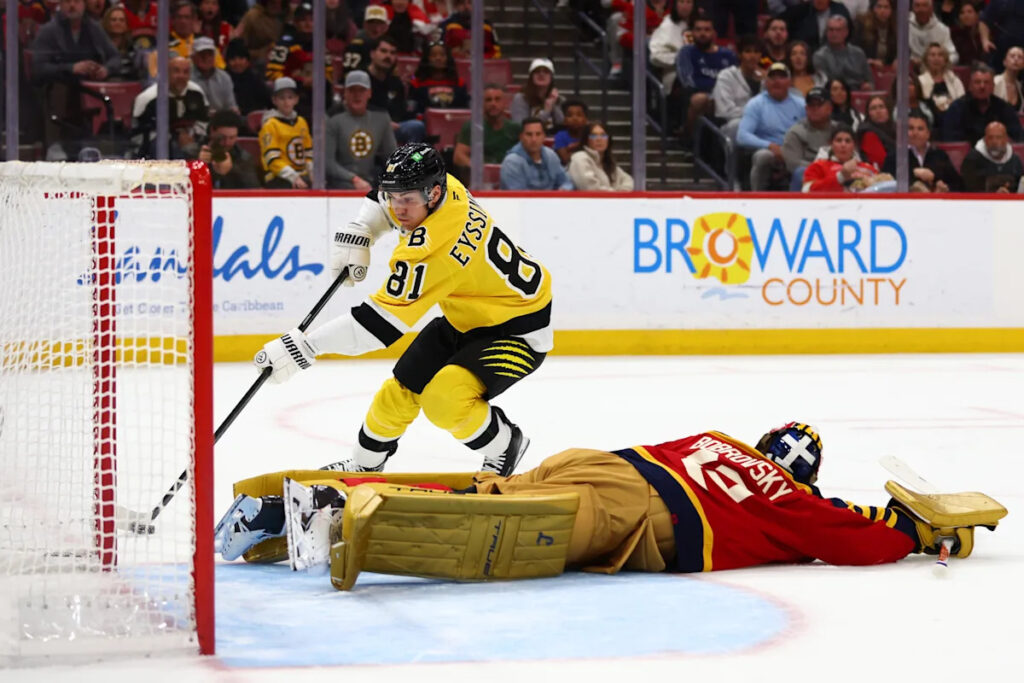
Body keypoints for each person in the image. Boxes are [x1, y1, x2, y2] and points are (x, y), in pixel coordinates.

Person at [214, 421, 1006, 591]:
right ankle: (334, 507)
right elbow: (855, 537)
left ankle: (308, 501)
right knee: (499, 529)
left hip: (604, 461)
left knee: (493, 489)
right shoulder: (792, 498)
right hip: (647, 519)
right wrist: (916, 528)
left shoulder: (718, 438)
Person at [252, 143, 552, 476]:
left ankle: (504, 444)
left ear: (432, 194)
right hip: (469, 315)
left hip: (518, 330)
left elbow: (377, 327)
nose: (398, 209)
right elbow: (383, 197)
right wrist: (362, 230)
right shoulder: (445, 187)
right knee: (400, 389)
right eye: (395, 198)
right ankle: (366, 465)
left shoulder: (435, 249)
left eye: (407, 201)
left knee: (443, 399)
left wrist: (304, 347)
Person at [30, 0, 120, 159]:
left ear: (84, 4)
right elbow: (39, 68)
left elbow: (115, 57)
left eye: (77, 1)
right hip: (59, 87)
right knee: (60, 90)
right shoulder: (48, 31)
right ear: (60, 4)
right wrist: (71, 68)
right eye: (67, 1)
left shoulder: (94, 28)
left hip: (91, 89)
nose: (72, 6)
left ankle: (112, 145)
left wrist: (105, 70)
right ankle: (56, 148)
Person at [737, 62, 807, 191]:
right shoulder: (756, 104)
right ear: (766, 82)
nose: (777, 81)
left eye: (782, 77)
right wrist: (770, 145)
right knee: (763, 156)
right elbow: (742, 136)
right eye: (772, 78)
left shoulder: (801, 104)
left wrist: (789, 152)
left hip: (795, 151)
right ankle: (758, 197)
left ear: (789, 82)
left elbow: (808, 132)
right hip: (770, 150)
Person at [325, 70, 396, 190]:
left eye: (361, 90)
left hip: (370, 180)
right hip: (339, 183)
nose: (357, 95)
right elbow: (327, 162)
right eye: (352, 90)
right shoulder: (331, 119)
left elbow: (392, 156)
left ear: (369, 93)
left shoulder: (381, 118)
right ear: (345, 93)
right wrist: (353, 179)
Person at [132, 54, 208, 159]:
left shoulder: (197, 93)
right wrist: (174, 138)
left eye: (186, 72)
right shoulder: (148, 98)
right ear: (166, 73)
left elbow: (203, 122)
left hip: (191, 139)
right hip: (155, 146)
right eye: (176, 71)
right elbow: (138, 134)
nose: (181, 76)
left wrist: (192, 135)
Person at [675, 15, 736, 144]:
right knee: (700, 99)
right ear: (692, 33)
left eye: (707, 29)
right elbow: (688, 82)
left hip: (726, 98)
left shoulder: (728, 55)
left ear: (714, 33)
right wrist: (714, 92)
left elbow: (735, 81)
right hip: (699, 98)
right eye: (698, 29)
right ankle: (689, 141)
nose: (702, 33)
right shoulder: (687, 52)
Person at [366, 35, 426, 144]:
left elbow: (400, 111)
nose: (388, 56)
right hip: (365, 126)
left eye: (392, 53)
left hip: (392, 128)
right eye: (383, 51)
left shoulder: (396, 83)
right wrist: (382, 123)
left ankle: (409, 160)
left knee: (416, 126)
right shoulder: (361, 78)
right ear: (372, 54)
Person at [881, 112, 962, 192]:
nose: (915, 133)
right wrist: (914, 175)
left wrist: (939, 183)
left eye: (920, 129)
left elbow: (958, 185)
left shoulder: (940, 155)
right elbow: (885, 184)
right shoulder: (895, 156)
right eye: (911, 128)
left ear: (928, 134)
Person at [452, 83, 521, 176]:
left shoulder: (515, 128)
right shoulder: (472, 127)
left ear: (505, 103)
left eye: (497, 99)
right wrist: (480, 169)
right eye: (488, 100)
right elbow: (459, 157)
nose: (493, 104)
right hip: (481, 179)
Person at [943, 64, 1023, 143]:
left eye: (986, 82)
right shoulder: (957, 108)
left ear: (993, 86)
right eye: (977, 82)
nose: (982, 86)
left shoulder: (1004, 108)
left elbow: (1017, 137)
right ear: (970, 86)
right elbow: (950, 139)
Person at [258, 77, 312, 189]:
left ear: (296, 99)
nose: (286, 102)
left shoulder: (301, 122)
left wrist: (312, 172)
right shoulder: (270, 124)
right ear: (274, 100)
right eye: (282, 98)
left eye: (290, 97)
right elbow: (272, 160)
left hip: (301, 175)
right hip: (278, 177)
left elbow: (308, 153)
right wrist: (293, 176)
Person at [710, 34, 764, 141]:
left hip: (762, 125)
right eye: (748, 51)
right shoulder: (726, 76)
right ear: (739, 55)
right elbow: (724, 111)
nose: (752, 56)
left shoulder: (765, 80)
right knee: (738, 125)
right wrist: (754, 114)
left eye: (756, 52)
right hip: (731, 126)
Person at [782, 86, 837, 188]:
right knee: (800, 172)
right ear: (806, 108)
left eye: (819, 105)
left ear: (830, 108)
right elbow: (793, 164)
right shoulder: (795, 132)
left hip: (838, 174)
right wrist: (824, 169)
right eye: (811, 105)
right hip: (808, 178)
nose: (814, 109)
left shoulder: (839, 130)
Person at [802, 124, 885, 191]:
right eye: (838, 140)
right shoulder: (818, 166)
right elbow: (806, 191)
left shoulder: (868, 168)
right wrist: (840, 177)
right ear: (831, 144)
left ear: (854, 145)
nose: (843, 145)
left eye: (848, 141)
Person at [500, 118, 575, 190]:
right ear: (521, 137)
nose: (534, 139)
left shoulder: (550, 155)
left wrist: (564, 189)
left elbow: (566, 182)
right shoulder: (512, 162)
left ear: (544, 136)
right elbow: (519, 197)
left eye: (538, 134)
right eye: (529, 134)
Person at [198, 110, 261, 189]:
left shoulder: (244, 157)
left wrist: (231, 170)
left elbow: (253, 188)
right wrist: (197, 165)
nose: (227, 143)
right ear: (212, 131)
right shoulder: (192, 151)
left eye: (232, 138)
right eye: (222, 137)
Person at [407, 40, 469, 118]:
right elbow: (412, 111)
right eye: (433, 55)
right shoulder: (417, 83)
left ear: (448, 58)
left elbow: (464, 110)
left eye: (442, 55)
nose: (438, 58)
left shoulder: (459, 83)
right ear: (427, 58)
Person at [566, 122, 634, 191]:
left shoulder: (607, 162)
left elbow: (628, 180)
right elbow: (591, 188)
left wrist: (622, 192)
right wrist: (615, 194)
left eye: (603, 135)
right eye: (593, 136)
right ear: (586, 140)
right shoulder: (580, 158)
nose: (599, 139)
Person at [959, 120, 1024, 192]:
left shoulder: (1014, 159)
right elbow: (969, 188)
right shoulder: (972, 159)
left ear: (1006, 139)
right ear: (985, 140)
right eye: (990, 137)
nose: (994, 141)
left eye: (998, 137)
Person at [813, 15, 873, 89]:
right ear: (827, 33)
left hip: (859, 94)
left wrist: (868, 85)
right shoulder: (819, 56)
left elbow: (870, 81)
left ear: (846, 32)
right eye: (831, 30)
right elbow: (824, 84)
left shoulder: (858, 53)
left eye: (838, 30)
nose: (834, 33)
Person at [649, 0, 697, 91]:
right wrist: (682, 60)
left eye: (689, 2)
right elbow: (655, 56)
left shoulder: (700, 25)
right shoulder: (667, 26)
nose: (685, 6)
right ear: (675, 5)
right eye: (681, 2)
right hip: (676, 76)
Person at [509, 58, 565, 134]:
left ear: (551, 77)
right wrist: (546, 111)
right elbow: (520, 127)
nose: (541, 74)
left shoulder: (560, 99)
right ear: (531, 76)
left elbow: (563, 125)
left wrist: (553, 105)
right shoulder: (521, 98)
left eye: (546, 72)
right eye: (537, 71)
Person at [782, 0, 852, 54]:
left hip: (835, 56)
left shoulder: (840, 10)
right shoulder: (800, 11)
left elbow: (849, 34)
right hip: (807, 57)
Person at [225, 38, 271, 121]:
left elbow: (268, 101)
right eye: (233, 59)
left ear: (247, 61)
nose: (237, 63)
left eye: (241, 58)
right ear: (227, 62)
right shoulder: (223, 78)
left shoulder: (255, 78)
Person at [191, 36, 238, 115]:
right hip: (196, 120)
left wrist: (233, 111)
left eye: (210, 54)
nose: (206, 58)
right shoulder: (187, 77)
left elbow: (231, 105)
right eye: (202, 54)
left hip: (221, 121)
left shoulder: (224, 77)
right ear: (193, 57)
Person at [919, 42, 965, 121]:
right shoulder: (920, 81)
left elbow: (962, 102)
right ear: (926, 59)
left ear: (945, 60)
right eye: (932, 55)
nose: (936, 58)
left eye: (940, 55)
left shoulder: (954, 79)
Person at [341, 5, 390, 76]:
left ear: (386, 26)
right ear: (364, 24)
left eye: (379, 23)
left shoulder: (390, 43)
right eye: (371, 22)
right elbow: (349, 72)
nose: (375, 27)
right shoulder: (356, 42)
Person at [909, 0, 959, 65]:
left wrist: (938, 62)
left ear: (931, 9)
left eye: (924, 6)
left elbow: (953, 55)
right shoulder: (904, 25)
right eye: (917, 6)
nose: (921, 10)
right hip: (910, 68)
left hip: (935, 69)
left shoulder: (942, 30)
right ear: (913, 8)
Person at [101, 3, 139, 80]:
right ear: (106, 23)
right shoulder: (98, 46)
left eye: (122, 20)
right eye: (113, 20)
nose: (118, 23)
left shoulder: (133, 48)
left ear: (126, 25)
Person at [857, 94, 895, 167]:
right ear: (868, 113)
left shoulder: (897, 129)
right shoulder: (868, 133)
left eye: (881, 107)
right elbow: (881, 162)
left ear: (888, 110)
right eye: (873, 108)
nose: (878, 111)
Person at [856, 0, 897, 67]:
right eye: (879, 7)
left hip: (886, 69)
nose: (882, 10)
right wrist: (870, 61)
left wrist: (897, 59)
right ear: (873, 9)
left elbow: (902, 49)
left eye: (886, 7)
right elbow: (854, 52)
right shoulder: (861, 24)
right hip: (866, 67)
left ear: (891, 10)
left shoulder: (895, 27)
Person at [554, 98, 589, 165]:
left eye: (579, 115)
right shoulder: (560, 136)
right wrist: (582, 145)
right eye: (569, 115)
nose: (574, 118)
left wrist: (570, 148)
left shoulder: (590, 135)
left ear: (586, 120)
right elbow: (566, 160)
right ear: (564, 120)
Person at [951, 1, 986, 68]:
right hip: (963, 69)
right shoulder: (955, 34)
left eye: (969, 12)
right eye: (962, 13)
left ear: (977, 15)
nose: (966, 15)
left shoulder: (983, 33)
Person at [994, 45, 1024, 113]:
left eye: (1020, 57)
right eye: (1012, 56)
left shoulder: (1020, 86)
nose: (1016, 59)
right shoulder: (995, 82)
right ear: (1004, 62)